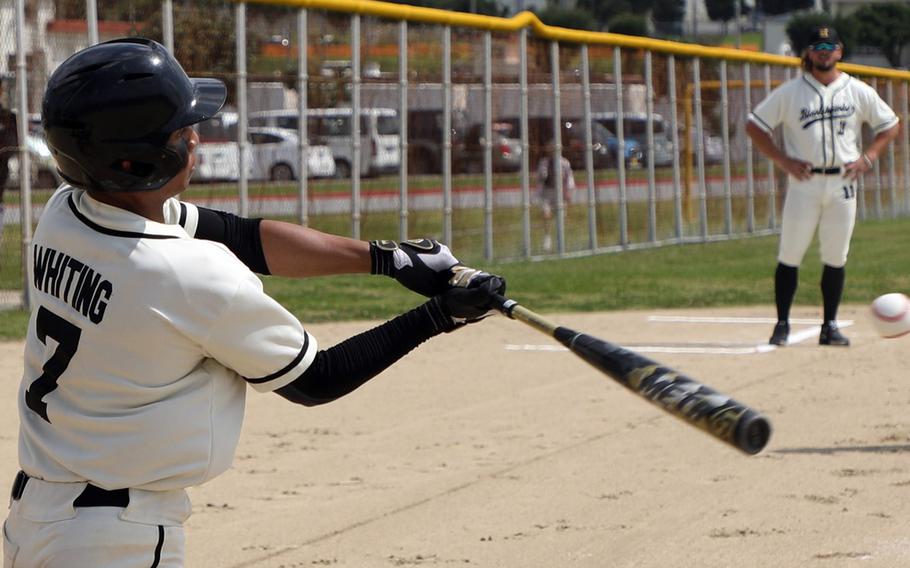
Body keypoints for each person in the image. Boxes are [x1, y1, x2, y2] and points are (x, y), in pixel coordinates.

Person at [3, 38, 505, 567]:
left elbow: (244, 236)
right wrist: (439, 315)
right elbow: (318, 378)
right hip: (114, 539)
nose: (196, 136)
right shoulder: (191, 274)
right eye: (181, 130)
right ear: (144, 157)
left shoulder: (67, 212)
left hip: (37, 519)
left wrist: (390, 259)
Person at [745, 25, 900, 347]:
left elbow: (890, 125)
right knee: (790, 253)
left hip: (843, 182)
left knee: (836, 255)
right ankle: (782, 324)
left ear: (840, 52)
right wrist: (782, 160)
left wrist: (868, 157)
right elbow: (754, 125)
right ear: (809, 53)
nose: (824, 51)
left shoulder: (856, 90)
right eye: (818, 46)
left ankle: (829, 325)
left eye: (830, 45)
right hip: (805, 182)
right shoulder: (791, 92)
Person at [536, 140, 575, 252]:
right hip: (547, 193)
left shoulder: (564, 163)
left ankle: (560, 241)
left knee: (560, 217)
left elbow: (569, 179)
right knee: (546, 215)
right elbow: (539, 178)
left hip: (560, 193)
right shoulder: (544, 163)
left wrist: (568, 193)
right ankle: (547, 239)